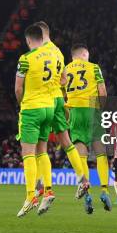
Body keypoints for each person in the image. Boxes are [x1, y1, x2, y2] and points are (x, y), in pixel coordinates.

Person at [33, 21, 89, 202]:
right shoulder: (57, 52)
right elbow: (64, 80)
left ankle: (42, 186)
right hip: (59, 99)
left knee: (38, 146)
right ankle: (82, 178)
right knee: (66, 141)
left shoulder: (36, 53)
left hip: (42, 101)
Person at [14, 25, 55, 217]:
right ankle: (48, 190)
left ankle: (31, 195)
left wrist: (22, 103)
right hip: (49, 108)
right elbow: (62, 80)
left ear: (28, 40)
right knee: (42, 151)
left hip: (32, 108)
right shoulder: (53, 56)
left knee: (28, 153)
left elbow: (18, 89)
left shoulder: (25, 59)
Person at [65, 44, 110, 214]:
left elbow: (61, 95)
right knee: (100, 153)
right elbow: (103, 91)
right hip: (92, 110)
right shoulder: (94, 68)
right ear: (84, 54)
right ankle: (104, 190)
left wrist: (68, 113)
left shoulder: (65, 69)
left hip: (75, 111)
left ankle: (87, 194)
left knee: (81, 156)